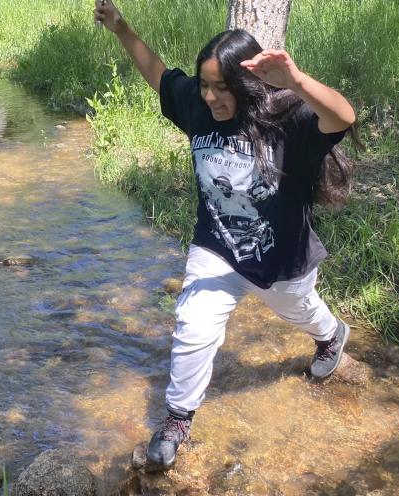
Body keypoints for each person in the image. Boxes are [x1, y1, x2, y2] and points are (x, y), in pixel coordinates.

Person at [94, 0, 359, 468]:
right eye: (205, 85)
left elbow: (343, 117)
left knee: (300, 310)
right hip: (216, 246)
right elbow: (157, 71)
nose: (212, 97)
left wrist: (296, 81)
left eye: (222, 88)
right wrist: (121, 29)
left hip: (280, 257)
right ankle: (178, 418)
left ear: (245, 85)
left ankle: (332, 335)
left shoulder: (285, 118)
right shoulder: (195, 106)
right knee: (194, 322)